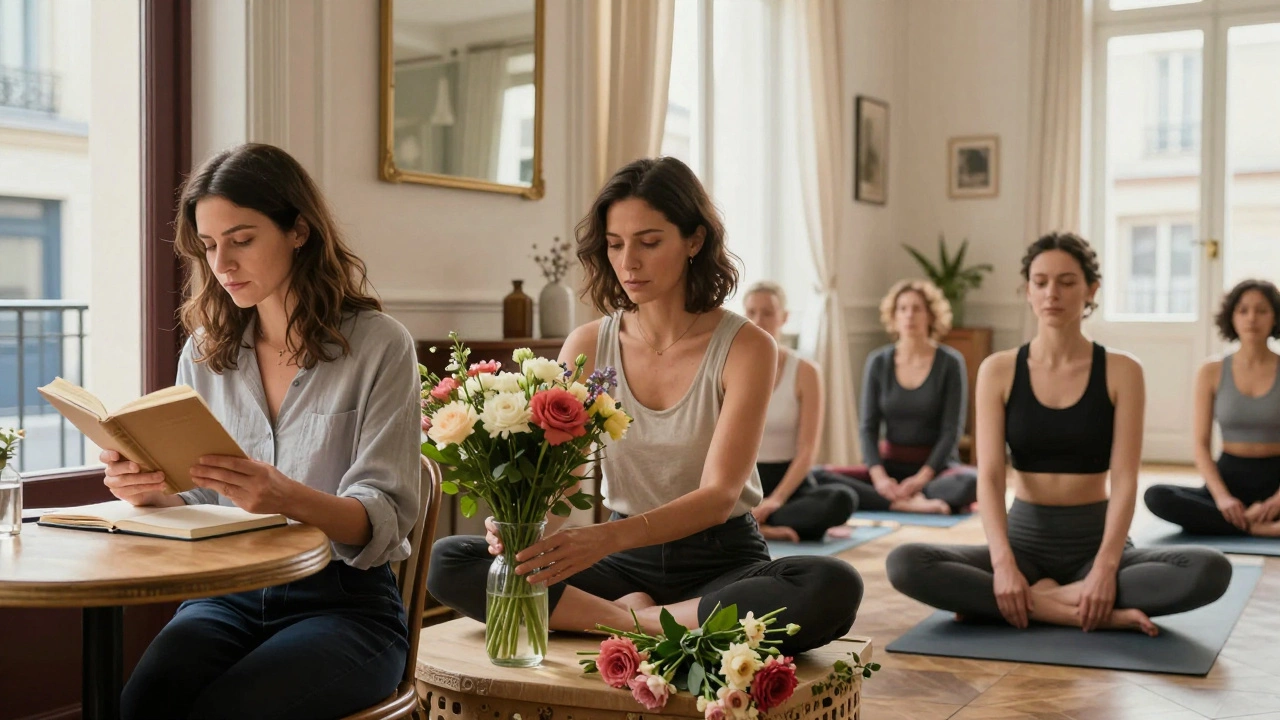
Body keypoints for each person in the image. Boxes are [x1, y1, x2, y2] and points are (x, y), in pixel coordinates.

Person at [427, 157, 863, 656]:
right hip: (622, 565)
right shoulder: (588, 343)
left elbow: (721, 494)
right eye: (615, 245)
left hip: (721, 563)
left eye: (649, 242)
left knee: (831, 584)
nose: (629, 262)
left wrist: (603, 541)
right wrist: (525, 529)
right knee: (450, 560)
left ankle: (626, 621)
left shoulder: (747, 347)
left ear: (694, 240)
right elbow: (562, 481)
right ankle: (646, 621)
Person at [107, 143, 421, 719]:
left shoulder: (380, 346)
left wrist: (285, 496)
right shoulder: (205, 354)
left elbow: (387, 516)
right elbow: (203, 498)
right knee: (140, 706)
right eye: (209, 245)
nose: (222, 263)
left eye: (242, 239)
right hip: (224, 596)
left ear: (298, 230)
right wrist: (156, 491)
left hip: (344, 605)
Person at [886, 233, 1231, 635]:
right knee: (905, 563)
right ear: (1027, 290)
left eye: (1067, 282)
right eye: (1041, 282)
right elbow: (992, 476)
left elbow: (1124, 478)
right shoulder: (998, 370)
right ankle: (1064, 607)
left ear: (1091, 290)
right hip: (1022, 544)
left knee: (1210, 569)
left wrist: (1105, 568)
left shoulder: (1122, 371)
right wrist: (1002, 565)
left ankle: (1020, 602)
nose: (1053, 293)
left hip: (1095, 543)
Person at [812, 279, 977, 515]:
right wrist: (879, 478)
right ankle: (900, 503)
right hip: (889, 467)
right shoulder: (878, 362)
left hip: (936, 471)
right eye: (903, 308)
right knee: (816, 475)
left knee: (972, 483)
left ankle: (914, 495)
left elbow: (952, 431)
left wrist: (920, 480)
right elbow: (867, 428)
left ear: (931, 316)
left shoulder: (951, 363)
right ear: (894, 316)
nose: (909, 315)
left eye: (917, 308)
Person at [1145, 279, 1280, 537]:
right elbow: (1200, 444)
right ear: (1232, 317)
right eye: (1243, 310)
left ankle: (1235, 525)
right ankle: (1260, 529)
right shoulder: (1211, 371)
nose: (1252, 318)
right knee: (1157, 496)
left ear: (1275, 317)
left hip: (1276, 482)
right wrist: (1222, 499)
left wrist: (1276, 501)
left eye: (1262, 310)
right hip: (1229, 478)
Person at [743, 280, 858, 542]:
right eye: (751, 312)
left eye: (768, 312)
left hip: (790, 487)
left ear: (784, 317)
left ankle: (749, 526)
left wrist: (776, 500)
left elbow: (807, 449)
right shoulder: (730, 367)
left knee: (842, 499)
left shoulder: (806, 371)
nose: (759, 319)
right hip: (745, 483)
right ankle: (755, 524)